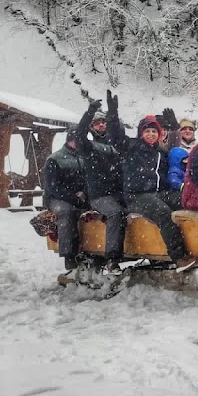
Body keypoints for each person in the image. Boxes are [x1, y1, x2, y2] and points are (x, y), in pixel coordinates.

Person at [105, 90, 198, 273]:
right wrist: (112, 114)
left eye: (154, 131)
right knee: (163, 213)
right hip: (136, 195)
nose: (150, 134)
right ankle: (179, 257)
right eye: (147, 131)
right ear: (141, 134)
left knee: (187, 199)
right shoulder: (132, 147)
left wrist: (174, 126)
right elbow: (115, 137)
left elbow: (176, 151)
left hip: (158, 192)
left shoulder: (160, 152)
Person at [75, 99, 128, 274]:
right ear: (92, 127)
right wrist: (89, 112)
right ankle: (112, 259)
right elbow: (79, 134)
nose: (101, 125)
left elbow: (118, 131)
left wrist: (113, 111)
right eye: (97, 123)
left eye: (103, 122)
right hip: (99, 196)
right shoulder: (88, 147)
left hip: (120, 192)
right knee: (115, 212)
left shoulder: (117, 146)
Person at [43, 128, 88, 270]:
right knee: (67, 212)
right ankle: (69, 255)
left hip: (82, 196)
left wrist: (86, 193)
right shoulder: (54, 159)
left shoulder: (86, 157)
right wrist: (73, 197)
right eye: (76, 139)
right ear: (69, 140)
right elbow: (52, 187)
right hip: (57, 198)